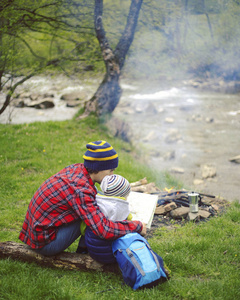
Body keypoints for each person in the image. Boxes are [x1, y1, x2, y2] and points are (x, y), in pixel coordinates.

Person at [19, 140, 146, 256]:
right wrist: (136, 226)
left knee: (95, 202)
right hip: (45, 244)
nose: (112, 175)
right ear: (98, 168)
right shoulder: (81, 190)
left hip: (35, 232)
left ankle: (83, 248)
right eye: (110, 171)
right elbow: (104, 229)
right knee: (95, 215)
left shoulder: (78, 169)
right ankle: (85, 251)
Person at [77, 174, 133, 255]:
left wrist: (84, 232)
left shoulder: (96, 203)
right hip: (108, 252)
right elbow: (128, 226)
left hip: (91, 247)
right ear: (122, 195)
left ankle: (82, 250)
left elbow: (84, 225)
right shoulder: (123, 208)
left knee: (90, 229)